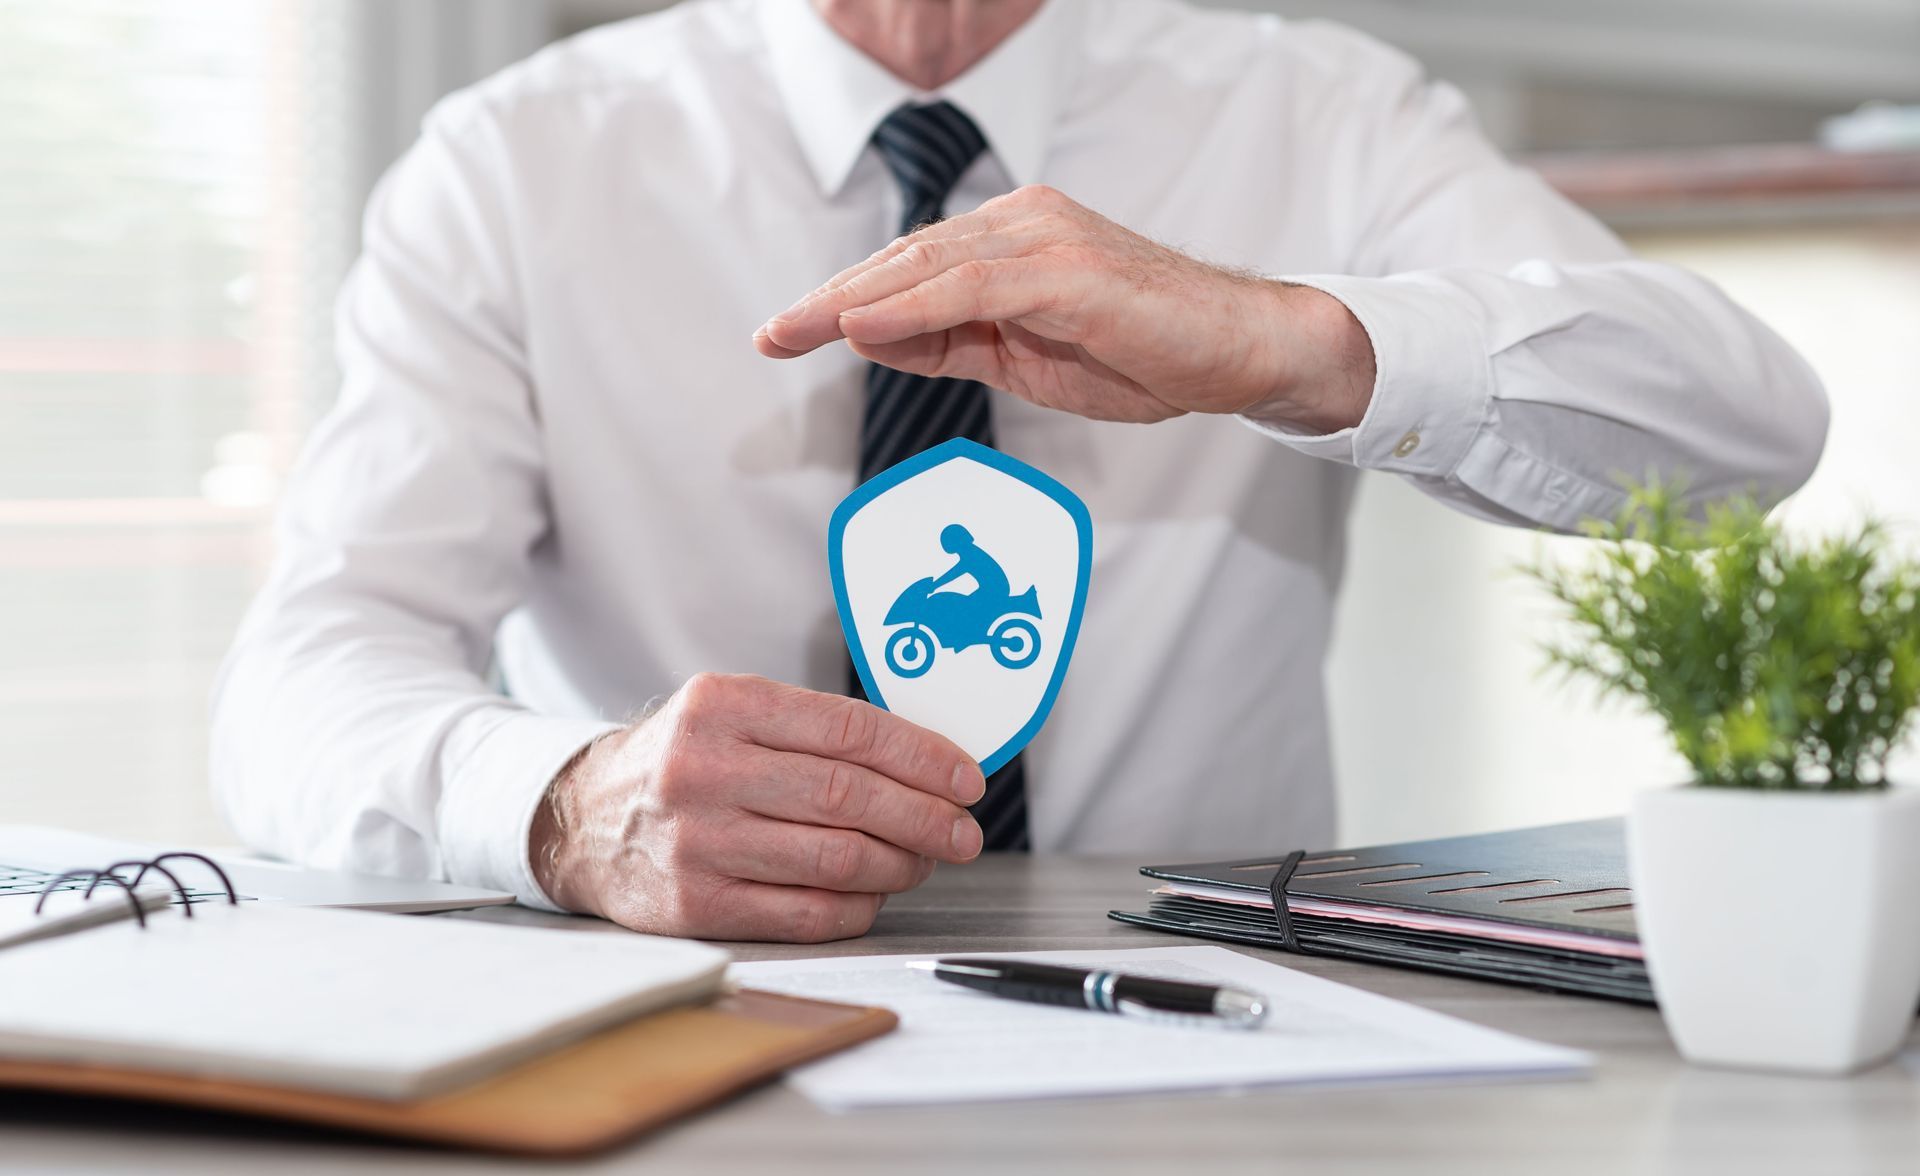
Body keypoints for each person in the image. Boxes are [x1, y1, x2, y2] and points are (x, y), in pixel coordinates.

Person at [212, 0, 1828, 943]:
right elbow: (302, 680)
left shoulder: (1317, 116)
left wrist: (1279, 338)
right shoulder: (513, 166)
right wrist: (565, 809)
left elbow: (1750, 430)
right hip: (675, 1030)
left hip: (1219, 1044)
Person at [929, 524, 1011, 604]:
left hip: (995, 590)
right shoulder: (971, 552)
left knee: (968, 606)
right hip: (994, 588)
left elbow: (954, 573)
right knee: (967, 604)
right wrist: (935, 585)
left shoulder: (971, 554)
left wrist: (935, 585)